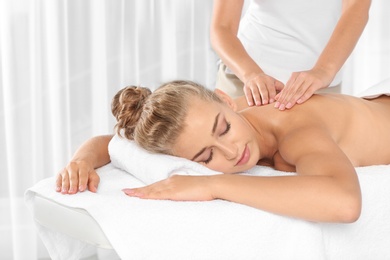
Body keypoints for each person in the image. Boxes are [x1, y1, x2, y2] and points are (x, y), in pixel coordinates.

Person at [57, 80, 390, 223]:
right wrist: (80, 161)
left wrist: (211, 184)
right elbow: (114, 140)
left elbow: (344, 203)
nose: (231, 152)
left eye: (225, 128)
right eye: (205, 157)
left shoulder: (298, 133)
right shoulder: (203, 121)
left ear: (228, 100)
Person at [210, 0, 371, 110]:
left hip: (316, 88)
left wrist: (324, 70)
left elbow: (357, 7)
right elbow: (222, 27)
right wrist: (251, 75)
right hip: (245, 83)